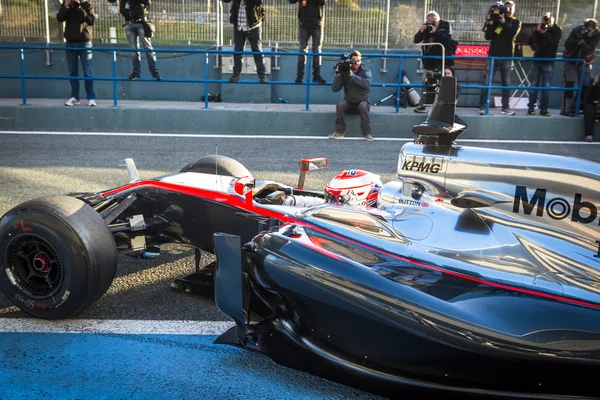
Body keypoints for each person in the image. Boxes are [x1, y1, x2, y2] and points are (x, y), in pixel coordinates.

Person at [478, 0, 521, 115]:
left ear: (514, 9)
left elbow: (512, 34)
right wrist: (491, 22)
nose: (508, 10)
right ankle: (482, 106)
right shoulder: (495, 20)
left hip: (507, 56)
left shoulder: (516, 22)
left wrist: (503, 23)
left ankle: (505, 107)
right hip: (493, 55)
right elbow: (488, 36)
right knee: (487, 81)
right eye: (506, 8)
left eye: (511, 8)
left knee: (506, 82)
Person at [56, 0, 96, 107]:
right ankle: (74, 97)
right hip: (70, 43)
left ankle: (91, 98)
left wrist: (83, 6)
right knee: (73, 72)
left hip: (84, 42)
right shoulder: (67, 4)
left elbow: (91, 20)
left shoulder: (87, 4)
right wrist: (65, 5)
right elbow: (59, 18)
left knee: (88, 72)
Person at [413, 11, 455, 113]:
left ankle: (444, 106)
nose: (431, 24)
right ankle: (423, 104)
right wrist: (421, 31)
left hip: (443, 59)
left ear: (437, 20)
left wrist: (436, 31)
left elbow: (447, 38)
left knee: (444, 82)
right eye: (429, 22)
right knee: (427, 81)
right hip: (429, 59)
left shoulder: (445, 24)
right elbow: (416, 40)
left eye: (433, 22)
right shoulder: (426, 26)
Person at [328, 50, 373, 141]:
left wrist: (353, 76)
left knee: (363, 106)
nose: (356, 63)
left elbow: (366, 84)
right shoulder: (345, 72)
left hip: (362, 102)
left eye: (358, 61)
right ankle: (339, 132)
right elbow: (335, 89)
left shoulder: (366, 71)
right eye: (354, 61)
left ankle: (367, 133)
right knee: (340, 104)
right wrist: (338, 75)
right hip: (350, 102)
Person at [561, 18, 600, 117]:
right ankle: (566, 109)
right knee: (570, 83)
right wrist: (577, 38)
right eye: (587, 29)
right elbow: (567, 45)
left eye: (590, 30)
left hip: (584, 62)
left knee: (586, 84)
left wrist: (582, 41)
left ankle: (578, 106)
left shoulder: (596, 34)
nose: (588, 32)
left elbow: (589, 49)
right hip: (571, 61)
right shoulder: (578, 29)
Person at [222, 0, 267, 84]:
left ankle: (262, 75)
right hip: (239, 25)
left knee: (257, 51)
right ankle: (236, 75)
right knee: (238, 51)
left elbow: (258, 2)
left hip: (254, 26)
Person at [526, 12, 562, 117]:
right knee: (533, 85)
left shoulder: (556, 29)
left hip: (548, 61)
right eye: (545, 19)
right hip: (537, 59)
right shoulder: (540, 29)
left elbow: (553, 42)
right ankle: (531, 107)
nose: (546, 21)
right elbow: (530, 41)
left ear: (553, 20)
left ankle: (544, 108)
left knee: (546, 86)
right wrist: (537, 32)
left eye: (549, 19)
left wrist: (545, 33)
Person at [118, 0, 161, 81]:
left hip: (141, 23)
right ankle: (136, 73)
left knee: (148, 48)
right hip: (129, 24)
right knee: (134, 50)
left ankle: (155, 73)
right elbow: (122, 10)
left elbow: (147, 3)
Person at [289, 0, 326, 85]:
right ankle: (299, 76)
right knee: (302, 50)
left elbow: (322, 2)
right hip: (304, 25)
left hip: (317, 24)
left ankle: (316, 75)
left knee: (316, 50)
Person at [582, 72, 600, 142]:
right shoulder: (593, 82)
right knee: (589, 109)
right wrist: (593, 84)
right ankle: (588, 134)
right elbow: (586, 97)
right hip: (592, 103)